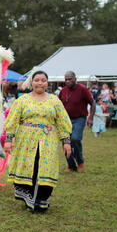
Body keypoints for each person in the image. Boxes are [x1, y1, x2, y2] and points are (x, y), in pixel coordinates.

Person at [4, 71, 72, 212]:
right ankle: (30, 199)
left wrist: (66, 141)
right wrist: (9, 140)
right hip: (26, 140)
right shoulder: (22, 100)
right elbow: (12, 120)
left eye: (43, 80)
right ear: (32, 82)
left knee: (44, 168)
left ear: (47, 83)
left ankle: (42, 200)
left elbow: (62, 121)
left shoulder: (54, 100)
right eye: (36, 80)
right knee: (31, 166)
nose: (40, 83)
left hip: (48, 140)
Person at [58, 71, 95, 173]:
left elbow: (92, 103)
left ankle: (80, 162)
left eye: (70, 79)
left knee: (75, 139)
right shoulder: (63, 91)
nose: (68, 81)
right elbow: (58, 106)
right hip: (65, 120)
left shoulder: (83, 89)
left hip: (79, 119)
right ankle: (71, 166)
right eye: (66, 79)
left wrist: (90, 117)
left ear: (75, 79)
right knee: (65, 142)